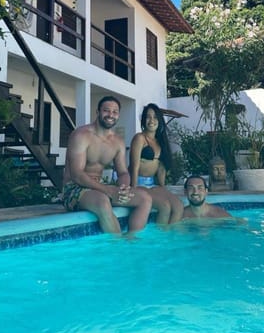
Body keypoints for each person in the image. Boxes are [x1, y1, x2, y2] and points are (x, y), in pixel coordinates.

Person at [62, 96, 153, 234]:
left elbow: (122, 172)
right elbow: (77, 175)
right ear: (98, 112)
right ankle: (118, 247)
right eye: (106, 110)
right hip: (74, 189)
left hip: (100, 187)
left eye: (115, 112)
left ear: (118, 115)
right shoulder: (81, 135)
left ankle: (132, 241)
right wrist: (108, 190)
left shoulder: (117, 141)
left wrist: (123, 188)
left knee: (145, 198)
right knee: (103, 201)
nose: (111, 115)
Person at [129, 103, 184, 224]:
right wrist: (133, 189)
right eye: (148, 117)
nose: (151, 120)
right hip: (139, 183)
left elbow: (160, 168)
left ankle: (171, 234)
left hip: (153, 184)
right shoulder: (140, 138)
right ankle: (161, 238)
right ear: (143, 120)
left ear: (159, 120)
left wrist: (163, 189)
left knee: (179, 206)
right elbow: (134, 166)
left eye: (155, 117)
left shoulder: (160, 141)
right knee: (164, 206)